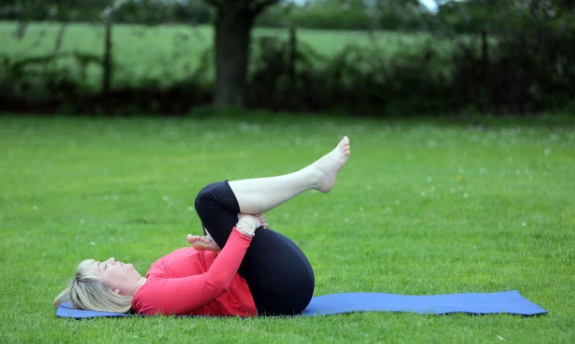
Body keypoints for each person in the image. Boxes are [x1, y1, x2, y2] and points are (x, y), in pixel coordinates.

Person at [53, 136, 351, 316]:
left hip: (273, 279)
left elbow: (215, 272)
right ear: (114, 291)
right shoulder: (149, 300)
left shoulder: (153, 277)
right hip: (277, 291)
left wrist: (220, 244)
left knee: (212, 203)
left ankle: (314, 177)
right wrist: (244, 229)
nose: (111, 259)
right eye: (104, 267)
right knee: (208, 201)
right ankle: (314, 177)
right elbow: (215, 284)